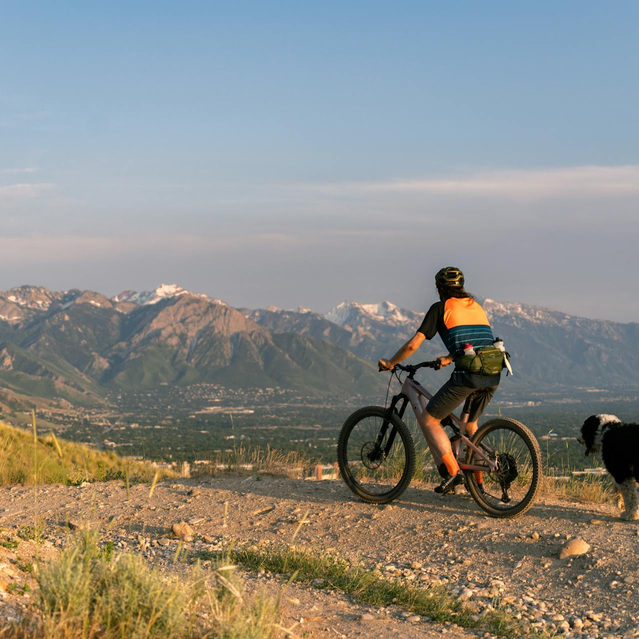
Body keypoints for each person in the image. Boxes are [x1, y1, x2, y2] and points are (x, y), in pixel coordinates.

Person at [378, 266, 500, 494]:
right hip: (493, 373)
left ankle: (453, 473)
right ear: (461, 287)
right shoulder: (476, 306)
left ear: (439, 288)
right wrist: (449, 358)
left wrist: (391, 363)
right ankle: (478, 486)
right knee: (470, 427)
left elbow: (413, 345)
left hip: (469, 376)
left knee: (429, 420)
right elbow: (475, 343)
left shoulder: (440, 308)